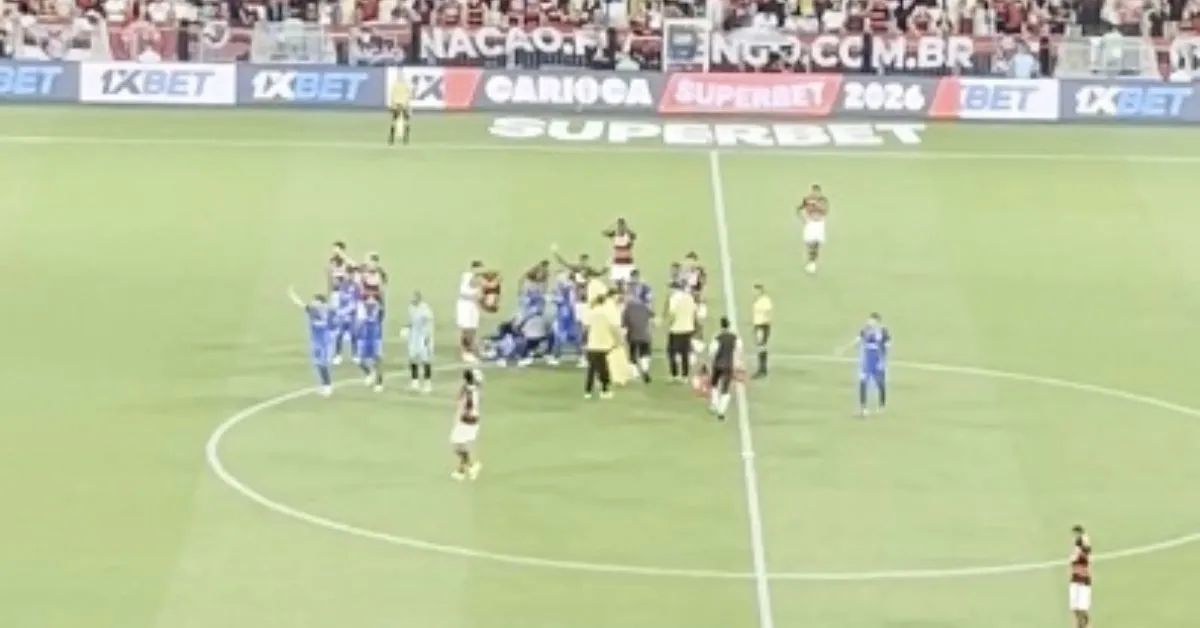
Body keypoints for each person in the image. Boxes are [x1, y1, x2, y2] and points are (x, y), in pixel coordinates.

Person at [289, 288, 333, 396]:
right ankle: (324, 385)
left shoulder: (325, 312)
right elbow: (301, 304)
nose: (313, 302)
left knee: (322, 364)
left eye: (315, 301)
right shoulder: (313, 310)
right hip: (316, 341)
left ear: (321, 303)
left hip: (324, 343)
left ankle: (328, 386)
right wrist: (293, 295)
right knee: (318, 364)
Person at [582, 293, 620, 399]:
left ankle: (588, 391)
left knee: (591, 369)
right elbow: (613, 328)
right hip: (604, 344)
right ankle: (604, 390)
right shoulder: (607, 314)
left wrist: (584, 342)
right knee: (604, 369)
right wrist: (617, 341)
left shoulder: (591, 313)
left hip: (592, 344)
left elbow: (586, 328)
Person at [706, 316, 742, 421]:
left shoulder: (717, 337)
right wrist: (737, 362)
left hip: (717, 364)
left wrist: (711, 360)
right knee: (725, 389)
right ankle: (721, 411)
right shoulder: (735, 337)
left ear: (721, 325)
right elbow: (739, 349)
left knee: (714, 384)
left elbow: (712, 351)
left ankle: (714, 405)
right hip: (728, 365)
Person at [854, 313, 890, 416]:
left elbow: (886, 347)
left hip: (878, 361)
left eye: (872, 321)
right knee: (863, 382)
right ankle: (863, 408)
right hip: (867, 361)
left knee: (880, 385)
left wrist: (882, 361)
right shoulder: (865, 330)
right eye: (869, 320)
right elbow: (858, 340)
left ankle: (881, 406)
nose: (869, 322)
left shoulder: (883, 332)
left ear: (877, 322)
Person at [449, 369, 482, 481]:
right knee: (462, 446)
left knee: (457, 446)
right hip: (473, 421)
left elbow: (464, 406)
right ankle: (461, 471)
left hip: (467, 421)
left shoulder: (467, 391)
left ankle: (472, 465)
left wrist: (457, 419)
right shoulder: (474, 389)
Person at [665, 283, 698, 381]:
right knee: (685, 353)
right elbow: (694, 312)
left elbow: (672, 314)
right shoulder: (689, 298)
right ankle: (685, 375)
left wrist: (668, 325)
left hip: (676, 329)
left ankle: (674, 374)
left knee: (671, 353)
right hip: (688, 328)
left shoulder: (674, 299)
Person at [622, 286, 654, 383]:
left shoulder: (627, 309)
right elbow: (652, 316)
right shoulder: (644, 306)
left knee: (632, 355)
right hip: (645, 335)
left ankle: (635, 373)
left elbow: (624, 324)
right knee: (644, 354)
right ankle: (645, 370)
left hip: (633, 336)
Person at [404, 291, 434, 393]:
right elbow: (410, 321)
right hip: (414, 336)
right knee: (412, 358)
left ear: (419, 299)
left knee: (425, 360)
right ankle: (415, 382)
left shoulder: (425, 310)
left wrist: (427, 337)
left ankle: (427, 383)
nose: (412, 300)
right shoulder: (411, 308)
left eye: (414, 298)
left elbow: (429, 324)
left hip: (423, 336)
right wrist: (406, 328)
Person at [356, 295, 384, 392]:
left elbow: (379, 310)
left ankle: (379, 383)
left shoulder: (376, 312)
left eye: (371, 302)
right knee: (360, 361)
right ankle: (370, 373)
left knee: (377, 361)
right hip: (366, 339)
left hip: (375, 339)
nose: (369, 303)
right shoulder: (364, 313)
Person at [799, 184, 829, 274]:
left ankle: (812, 263)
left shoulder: (823, 200)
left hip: (819, 223)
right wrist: (803, 219)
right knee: (809, 243)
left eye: (817, 192)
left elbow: (825, 210)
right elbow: (799, 209)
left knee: (816, 244)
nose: (815, 193)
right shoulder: (807, 199)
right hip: (810, 223)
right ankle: (810, 261)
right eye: (813, 191)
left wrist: (817, 206)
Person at [1069, 525, 1093, 628]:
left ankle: (1085, 625)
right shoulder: (1076, 549)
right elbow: (1072, 561)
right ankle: (1083, 624)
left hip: (1083, 582)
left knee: (1082, 609)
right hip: (1075, 580)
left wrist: (1084, 537)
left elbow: (1087, 549)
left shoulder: (1083, 549)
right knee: (1075, 609)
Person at [602, 217, 637, 283]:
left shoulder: (628, 235)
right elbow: (604, 232)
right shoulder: (614, 234)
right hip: (617, 262)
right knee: (618, 283)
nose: (621, 227)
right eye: (619, 226)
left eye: (622, 225)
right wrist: (612, 226)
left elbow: (634, 236)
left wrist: (627, 229)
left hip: (627, 263)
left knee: (628, 283)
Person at [751, 283, 773, 378]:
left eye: (756, 291)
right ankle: (762, 369)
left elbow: (768, 312)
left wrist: (763, 324)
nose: (754, 293)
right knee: (760, 347)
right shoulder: (758, 300)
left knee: (761, 347)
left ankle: (762, 369)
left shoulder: (765, 301)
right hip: (759, 325)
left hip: (762, 326)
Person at [389, 75, 411, 145]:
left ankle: (391, 138)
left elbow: (392, 95)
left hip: (396, 104)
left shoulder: (395, 85)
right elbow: (409, 95)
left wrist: (393, 105)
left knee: (394, 121)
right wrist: (407, 104)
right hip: (403, 104)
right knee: (406, 121)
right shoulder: (406, 85)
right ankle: (406, 138)